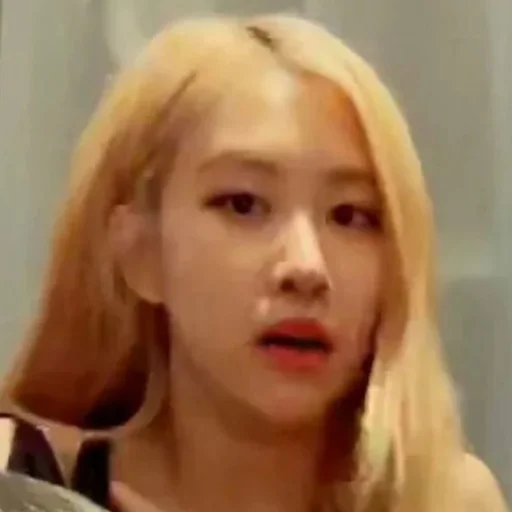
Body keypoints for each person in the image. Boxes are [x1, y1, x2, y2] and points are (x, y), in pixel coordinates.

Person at [0, 13, 507, 512]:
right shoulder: (21, 488)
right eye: (243, 204)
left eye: (351, 215)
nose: (306, 268)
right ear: (141, 254)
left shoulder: (445, 501)